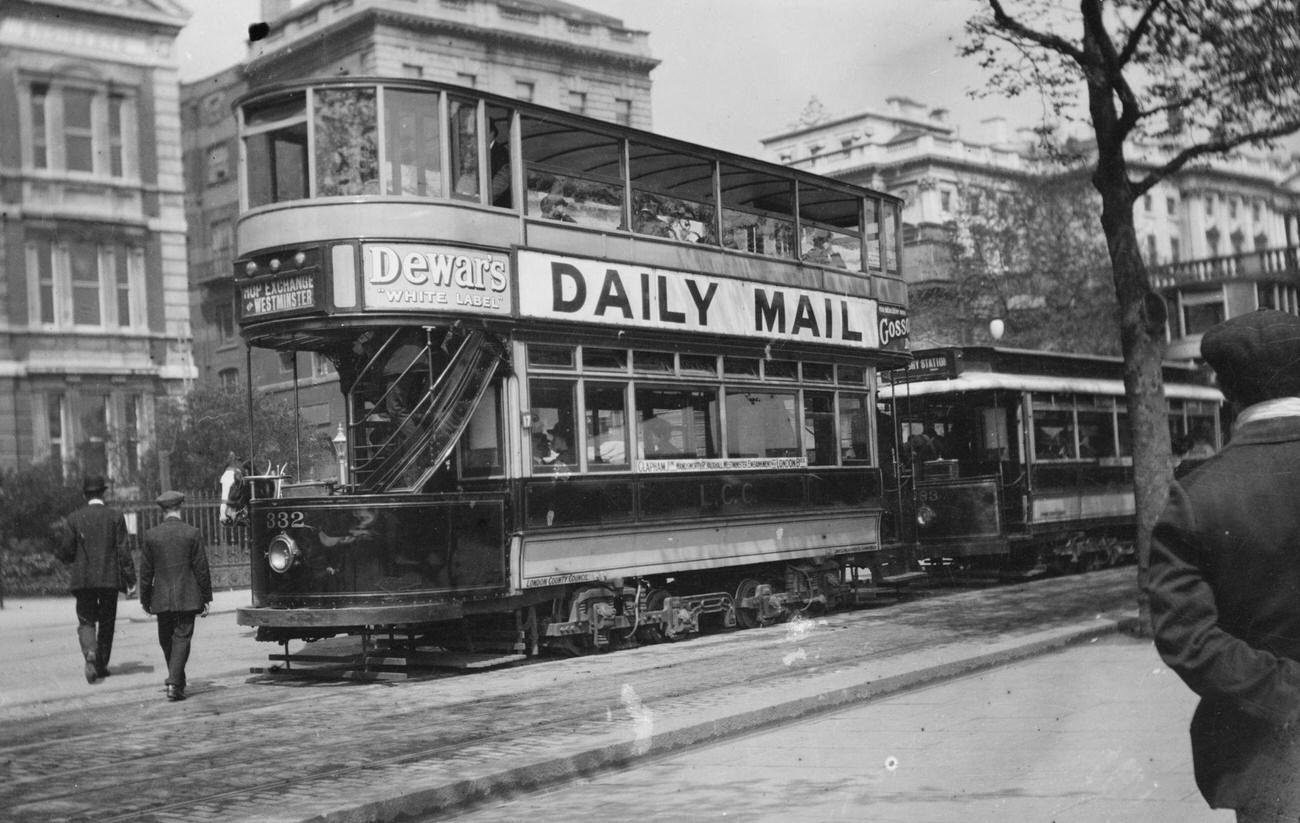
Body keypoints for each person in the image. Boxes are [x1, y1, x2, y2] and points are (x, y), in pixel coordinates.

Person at [1147, 309, 1300, 821]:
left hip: (1268, 759)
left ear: (1224, 391)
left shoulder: (1196, 496)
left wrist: (1286, 694)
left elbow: (1185, 637)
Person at [57, 474, 132, 684]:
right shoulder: (115, 516)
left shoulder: (74, 518)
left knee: (86, 620)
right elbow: (124, 551)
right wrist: (131, 580)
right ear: (103, 492)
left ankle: (90, 652)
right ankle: (101, 664)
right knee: (107, 622)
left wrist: (69, 556)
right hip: (109, 580)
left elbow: (67, 551)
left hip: (83, 581)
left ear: (85, 494)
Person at [140, 490, 212, 702]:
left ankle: (176, 683)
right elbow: (201, 569)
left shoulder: (151, 535)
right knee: (181, 639)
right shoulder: (192, 533)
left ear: (162, 510)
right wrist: (206, 597)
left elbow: (145, 572)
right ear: (180, 508)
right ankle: (174, 683)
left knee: (167, 641)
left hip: (161, 598)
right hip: (187, 596)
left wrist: (145, 599)